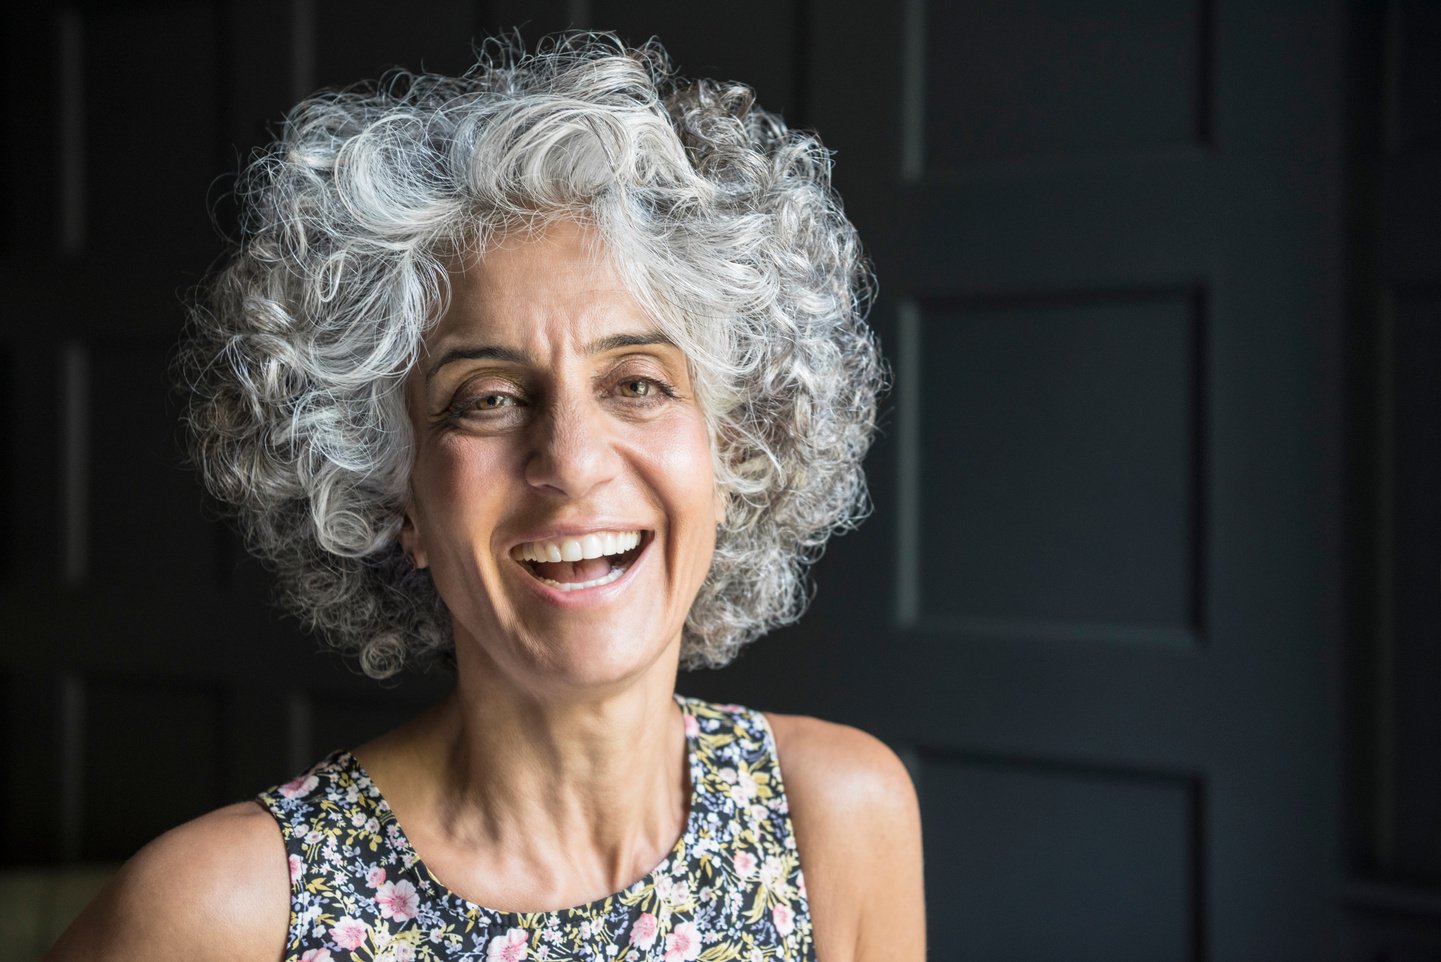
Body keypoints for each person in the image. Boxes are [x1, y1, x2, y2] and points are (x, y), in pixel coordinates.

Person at [48, 33, 923, 962]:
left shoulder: (835, 816)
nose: (573, 462)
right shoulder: (222, 910)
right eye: (488, 399)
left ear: (732, 446)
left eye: (637, 383)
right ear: (394, 495)